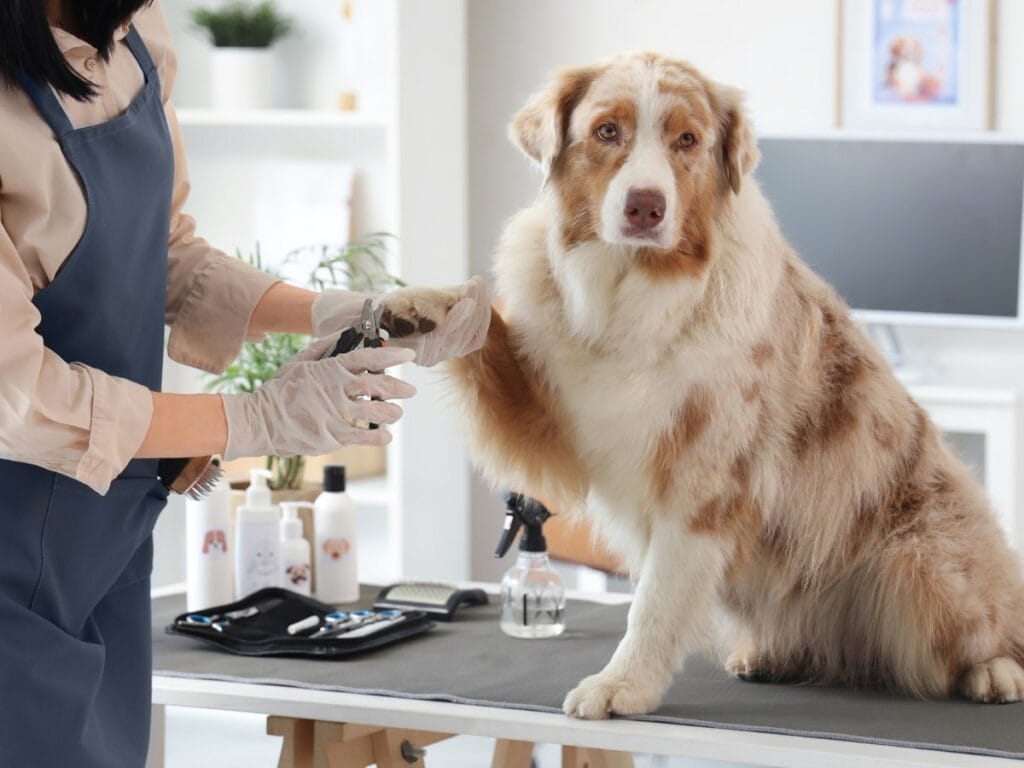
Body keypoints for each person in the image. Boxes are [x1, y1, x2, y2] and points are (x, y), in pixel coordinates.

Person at [0, 1, 490, 765]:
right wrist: (251, 420)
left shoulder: (137, 38)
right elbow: (22, 397)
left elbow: (167, 254)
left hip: (106, 544)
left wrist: (352, 309)